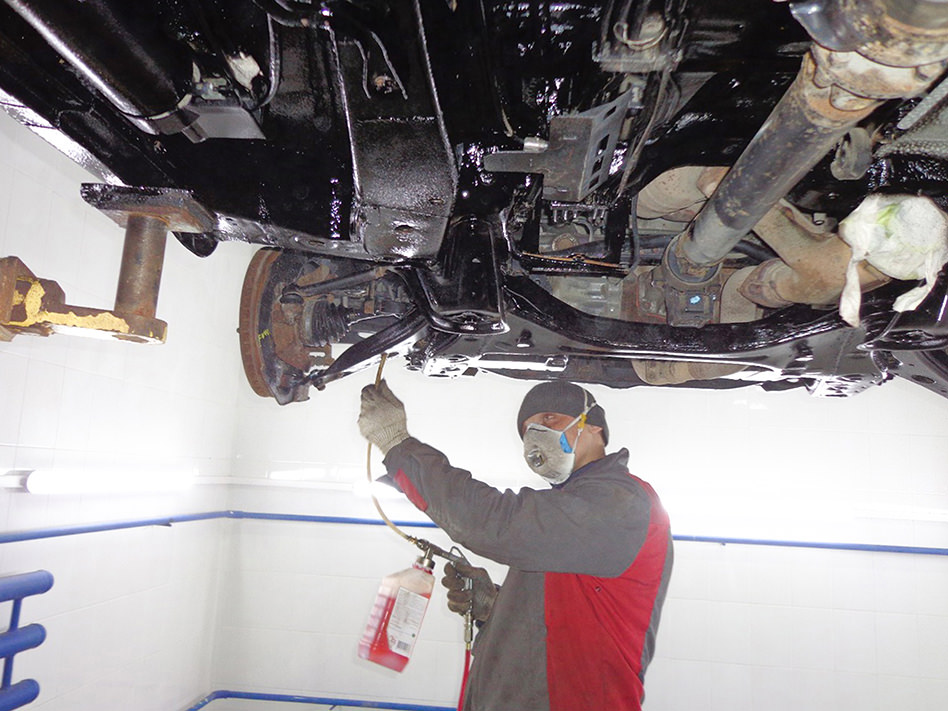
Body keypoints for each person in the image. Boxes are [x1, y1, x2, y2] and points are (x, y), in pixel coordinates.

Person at [358, 379, 673, 711]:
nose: (536, 434)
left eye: (549, 418)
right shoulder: (565, 518)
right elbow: (560, 620)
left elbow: (495, 522)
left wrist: (397, 444)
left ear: (594, 425)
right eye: (527, 430)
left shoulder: (621, 501)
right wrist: (495, 609)